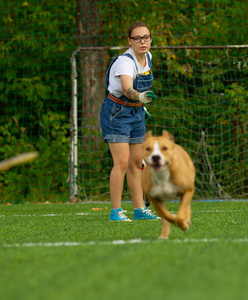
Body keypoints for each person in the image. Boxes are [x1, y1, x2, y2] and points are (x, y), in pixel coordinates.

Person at [100, 21, 160, 221]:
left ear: (150, 39)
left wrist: (140, 104)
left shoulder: (148, 57)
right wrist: (140, 97)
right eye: (137, 38)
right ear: (130, 41)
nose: (143, 42)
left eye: (146, 37)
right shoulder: (124, 62)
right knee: (122, 162)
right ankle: (116, 212)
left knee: (136, 163)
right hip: (117, 113)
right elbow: (127, 89)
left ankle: (139, 210)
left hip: (137, 113)